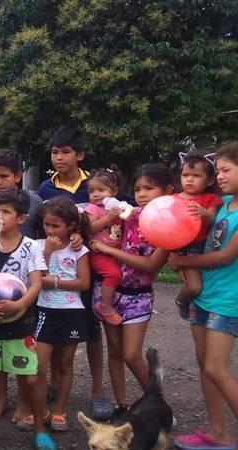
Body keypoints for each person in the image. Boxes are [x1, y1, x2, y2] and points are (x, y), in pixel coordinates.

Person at [37, 127, 111, 421]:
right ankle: (55, 386)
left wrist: (83, 235)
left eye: (65, 151)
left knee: (92, 331)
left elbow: (113, 216)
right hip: (59, 267)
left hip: (91, 265)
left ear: (79, 155)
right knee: (57, 335)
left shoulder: (92, 185)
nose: (59, 157)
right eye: (55, 152)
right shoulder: (45, 189)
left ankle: (97, 392)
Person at [0, 189, 55, 450]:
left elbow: (36, 283)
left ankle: (40, 430)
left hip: (23, 323)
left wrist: (19, 303)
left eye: (5, 212)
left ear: (21, 218)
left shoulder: (31, 246)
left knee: (31, 377)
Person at [90, 164, 172, 421]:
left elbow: (150, 265)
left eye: (149, 188)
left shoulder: (169, 227)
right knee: (114, 353)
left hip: (139, 296)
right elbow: (99, 217)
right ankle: (122, 405)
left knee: (131, 354)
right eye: (137, 189)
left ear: (167, 191)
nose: (142, 194)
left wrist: (111, 252)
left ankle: (159, 405)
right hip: (110, 293)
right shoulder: (131, 215)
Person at [170, 142, 238, 449]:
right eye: (219, 170)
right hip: (204, 295)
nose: (219, 176)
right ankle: (217, 432)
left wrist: (182, 261)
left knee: (215, 367)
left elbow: (224, 257)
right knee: (203, 363)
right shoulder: (223, 204)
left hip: (229, 300)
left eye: (226, 170)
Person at [32, 197, 91, 433]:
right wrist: (47, 252)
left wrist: (53, 282)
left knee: (66, 364)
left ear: (71, 226)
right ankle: (39, 411)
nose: (50, 230)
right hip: (45, 311)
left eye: (56, 225)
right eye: (47, 224)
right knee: (38, 366)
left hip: (72, 312)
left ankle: (60, 410)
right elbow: (36, 277)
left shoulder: (80, 249)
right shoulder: (37, 246)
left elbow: (84, 283)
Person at [172, 153, 222, 320]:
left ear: (209, 180)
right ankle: (182, 300)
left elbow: (212, 221)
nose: (189, 179)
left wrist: (204, 214)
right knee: (194, 287)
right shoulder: (173, 199)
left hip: (205, 246)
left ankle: (201, 311)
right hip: (184, 248)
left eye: (196, 176)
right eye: (185, 175)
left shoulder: (211, 199)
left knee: (205, 285)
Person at [84, 169, 133, 326]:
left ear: (114, 191)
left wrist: (125, 211)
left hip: (115, 252)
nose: (96, 194)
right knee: (113, 274)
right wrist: (108, 217)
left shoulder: (117, 207)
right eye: (92, 191)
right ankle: (105, 305)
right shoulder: (92, 209)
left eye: (101, 190)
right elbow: (91, 228)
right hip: (98, 252)